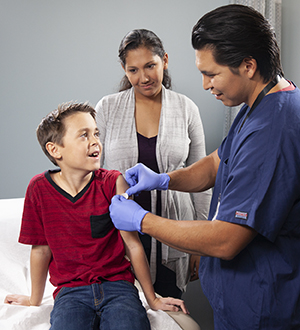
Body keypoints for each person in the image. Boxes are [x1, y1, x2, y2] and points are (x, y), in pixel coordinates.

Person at [109, 4, 300, 330]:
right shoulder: (258, 104)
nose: (204, 84)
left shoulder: (274, 128)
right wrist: (164, 179)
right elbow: (215, 163)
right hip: (239, 303)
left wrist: (143, 221)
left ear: (248, 65)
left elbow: (227, 239)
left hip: (263, 308)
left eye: (211, 74)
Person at [4, 102, 187, 330]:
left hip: (118, 287)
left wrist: (152, 299)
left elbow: (133, 245)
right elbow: (41, 249)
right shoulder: (38, 189)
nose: (95, 141)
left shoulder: (112, 182)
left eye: (96, 133)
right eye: (83, 135)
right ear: (55, 150)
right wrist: (34, 299)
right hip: (70, 292)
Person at [95, 29, 211, 298]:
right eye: (133, 70)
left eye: (151, 66)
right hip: (120, 237)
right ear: (124, 70)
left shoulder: (186, 109)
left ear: (165, 61)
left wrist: (198, 245)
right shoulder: (107, 109)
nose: (144, 78)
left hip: (175, 234)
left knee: (168, 313)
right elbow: (93, 175)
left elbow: (203, 181)